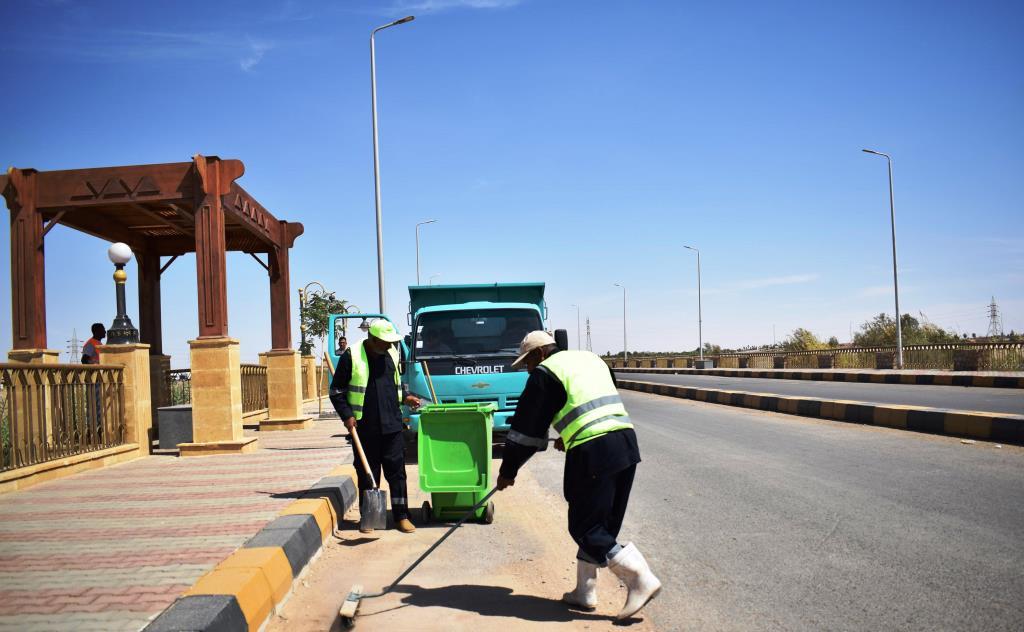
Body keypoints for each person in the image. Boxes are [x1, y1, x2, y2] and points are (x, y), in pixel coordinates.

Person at [496, 331, 661, 620]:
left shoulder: (545, 373)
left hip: (593, 452)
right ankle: (585, 591)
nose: (527, 370)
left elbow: (526, 433)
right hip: (624, 442)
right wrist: (570, 432)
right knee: (602, 524)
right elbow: (593, 398)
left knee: (584, 526)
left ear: (539, 354)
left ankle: (639, 578)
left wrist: (508, 471)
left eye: (527, 363)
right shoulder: (591, 359)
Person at [329, 320, 421, 534]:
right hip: (365, 428)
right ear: (372, 339)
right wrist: (347, 415)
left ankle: (401, 516)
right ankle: (369, 517)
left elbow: (395, 386)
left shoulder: (392, 354)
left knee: (397, 474)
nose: (389, 346)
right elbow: (336, 391)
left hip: (392, 426)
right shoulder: (351, 356)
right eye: (384, 342)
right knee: (367, 474)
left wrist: (406, 397)